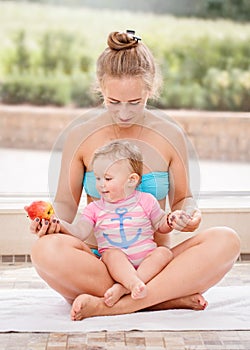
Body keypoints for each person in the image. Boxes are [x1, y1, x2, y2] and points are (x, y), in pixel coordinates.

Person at [30, 30, 240, 321]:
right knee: (45, 252)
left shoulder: (170, 134)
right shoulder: (80, 135)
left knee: (227, 240)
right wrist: (53, 225)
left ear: (150, 90)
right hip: (100, 263)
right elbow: (65, 204)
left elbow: (183, 200)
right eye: (113, 101)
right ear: (100, 89)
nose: (124, 113)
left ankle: (113, 304)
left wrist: (190, 217)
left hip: (156, 262)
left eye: (135, 102)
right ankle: (163, 298)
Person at [42, 140, 175, 307]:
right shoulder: (94, 209)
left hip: (146, 261)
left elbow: (160, 224)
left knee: (164, 253)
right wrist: (59, 223)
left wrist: (170, 221)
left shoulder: (146, 201)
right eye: (97, 178)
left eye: (107, 178)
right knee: (111, 254)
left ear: (132, 180)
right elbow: (80, 232)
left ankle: (125, 288)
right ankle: (132, 283)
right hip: (115, 268)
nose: (100, 184)